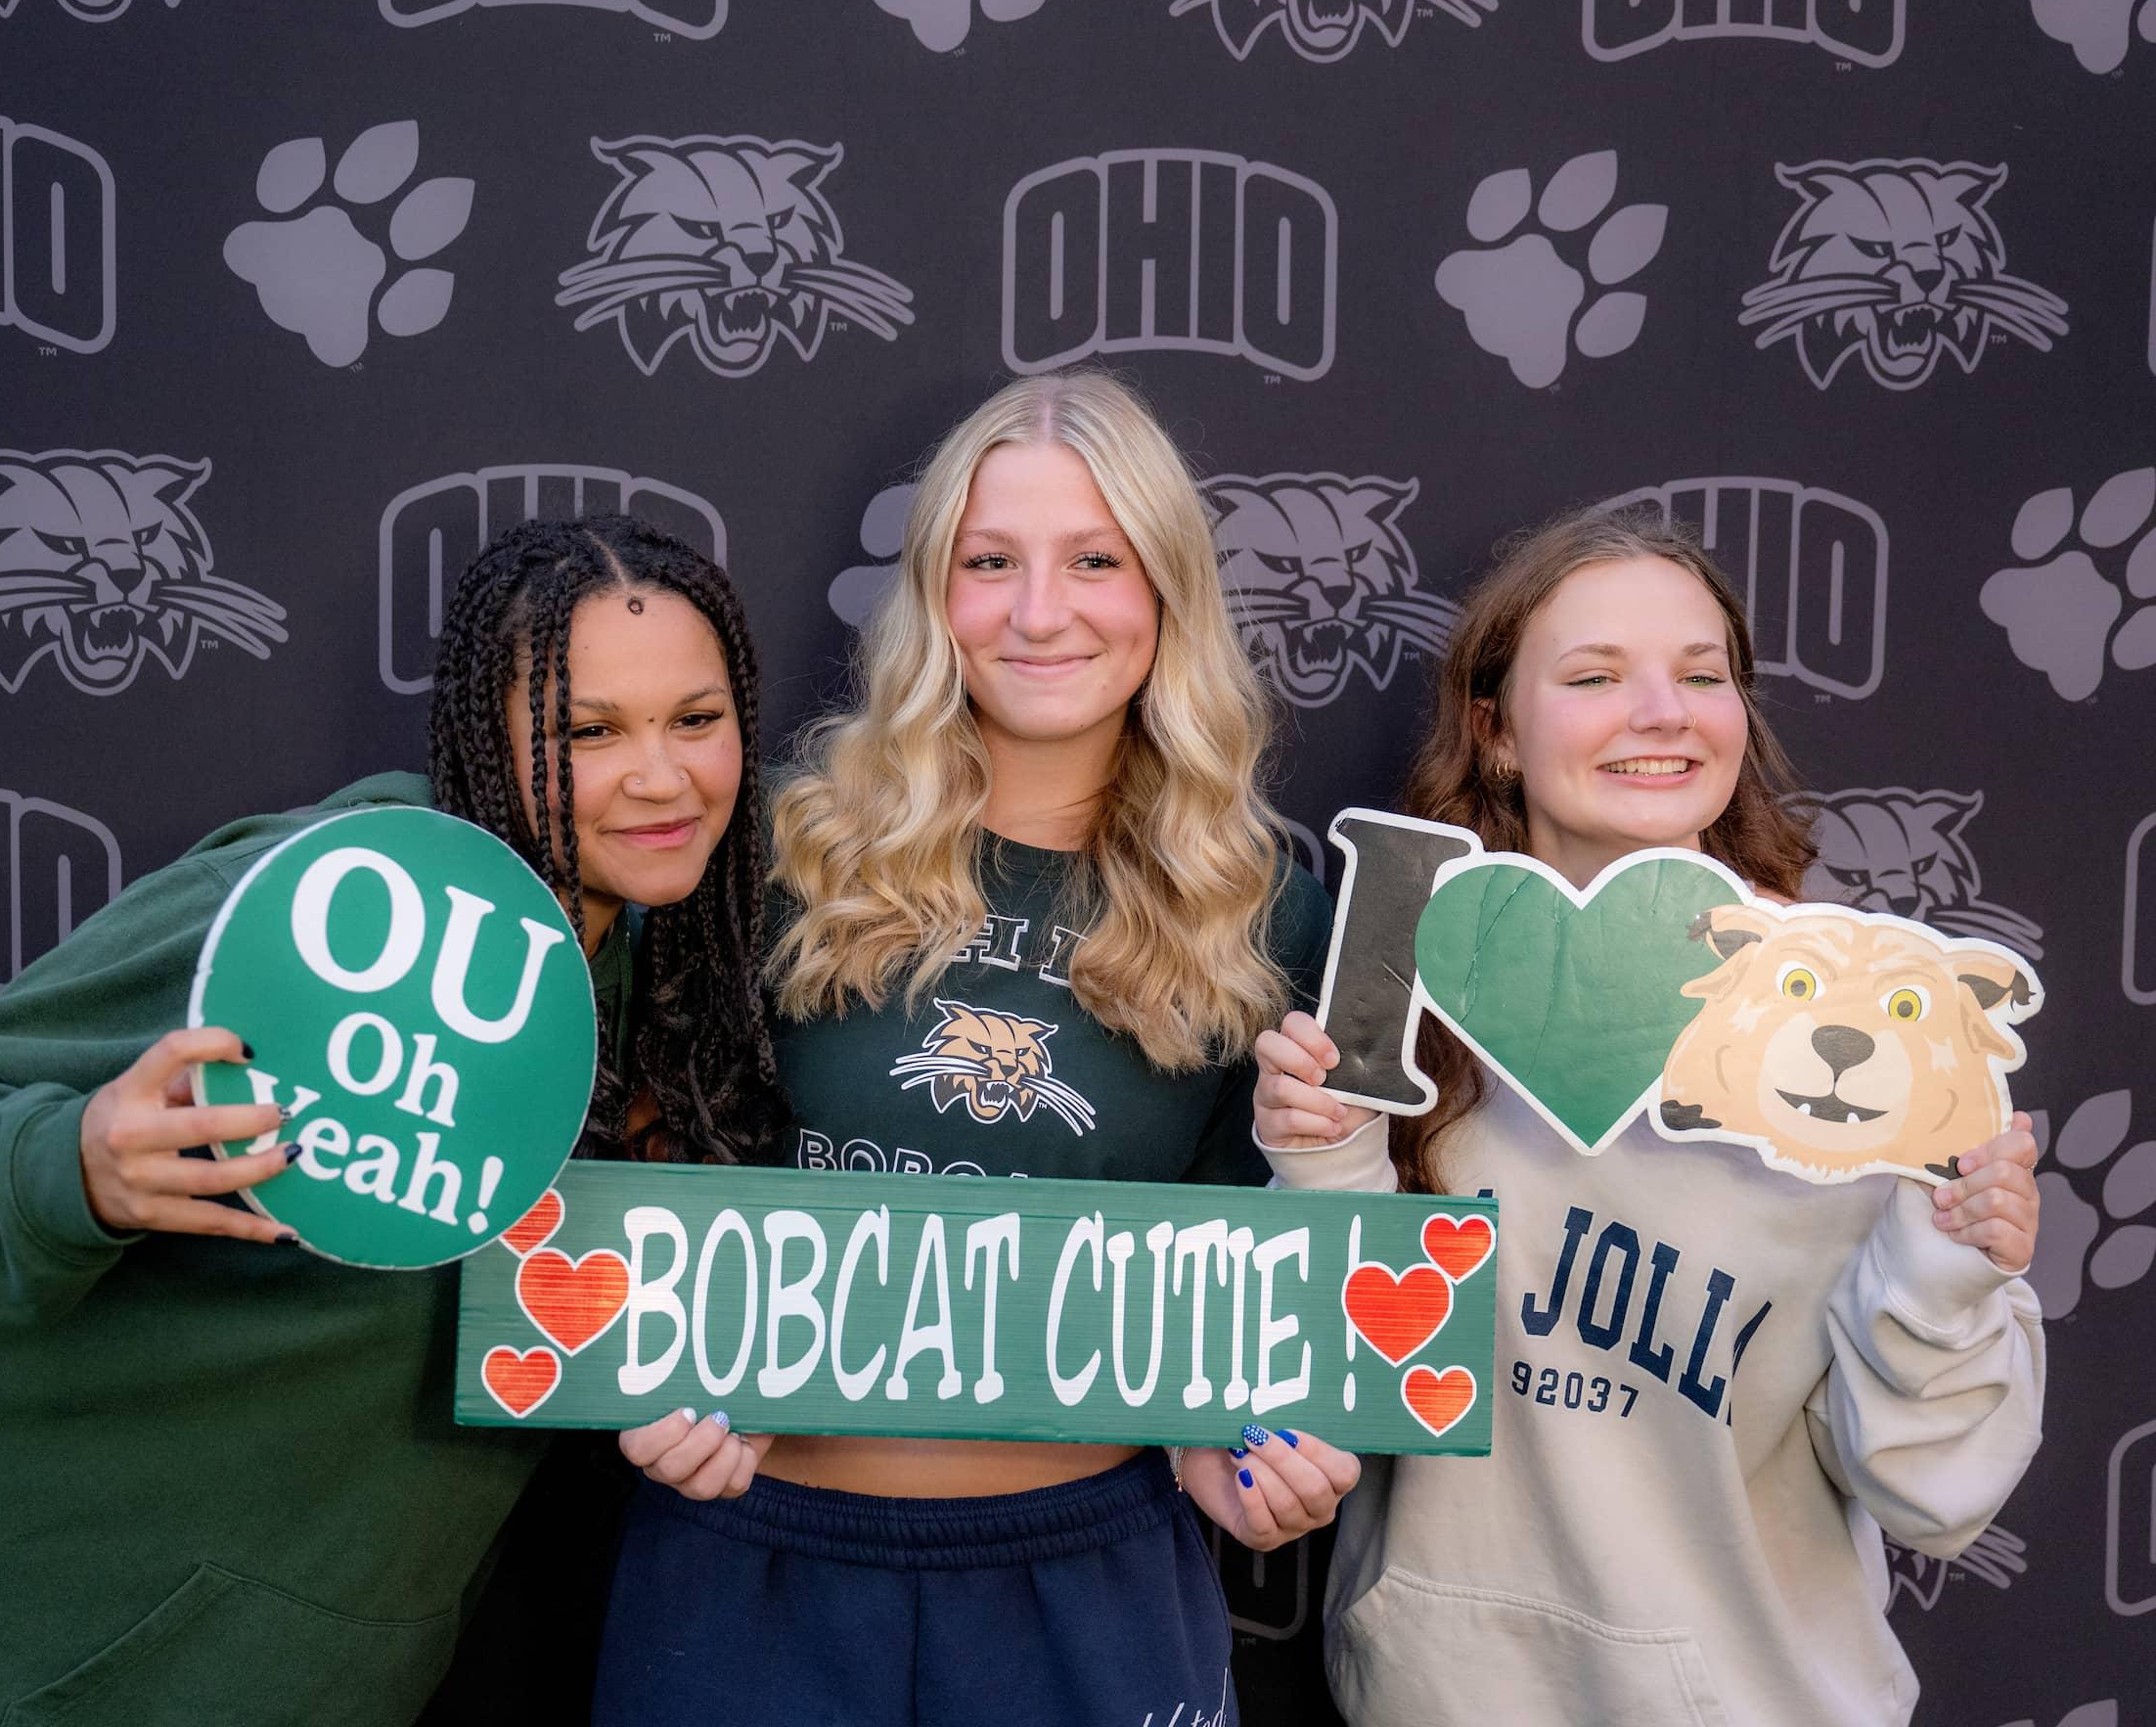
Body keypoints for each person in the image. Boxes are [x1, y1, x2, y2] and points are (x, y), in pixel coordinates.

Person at [0, 517, 785, 1727]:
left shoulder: (660, 1001)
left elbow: (531, 1331)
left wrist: (671, 1416)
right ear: (490, 735)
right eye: (590, 731)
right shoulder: (341, 896)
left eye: (696, 718)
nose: (663, 776)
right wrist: (76, 1168)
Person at [590, 371, 1360, 1727]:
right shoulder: (775, 850)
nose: (1039, 612)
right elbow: (624, 1158)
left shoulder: (1263, 916)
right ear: (932, 594)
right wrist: (638, 1364)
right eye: (989, 561)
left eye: (1095, 561)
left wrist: (1238, 1450)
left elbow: (1242, 1291)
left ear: (1168, 589)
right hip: (753, 1558)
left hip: (1088, 1584)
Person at [1253, 509, 2045, 1726]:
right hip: (1445, 1695)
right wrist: (1322, 1160)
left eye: (1701, 675)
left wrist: (1946, 1272)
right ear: (1496, 730)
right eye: (1595, 677)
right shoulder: (1399, 992)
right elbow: (1330, 1387)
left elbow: (1937, 1495)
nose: (1664, 713)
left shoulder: (1872, 1028)